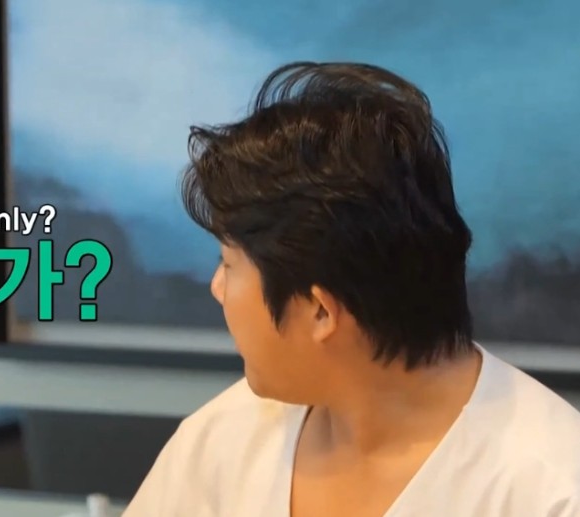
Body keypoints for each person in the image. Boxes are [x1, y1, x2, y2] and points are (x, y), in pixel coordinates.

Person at [124, 62, 580, 516]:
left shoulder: (551, 490)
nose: (217, 287)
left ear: (321, 311)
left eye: (228, 264)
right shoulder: (222, 442)